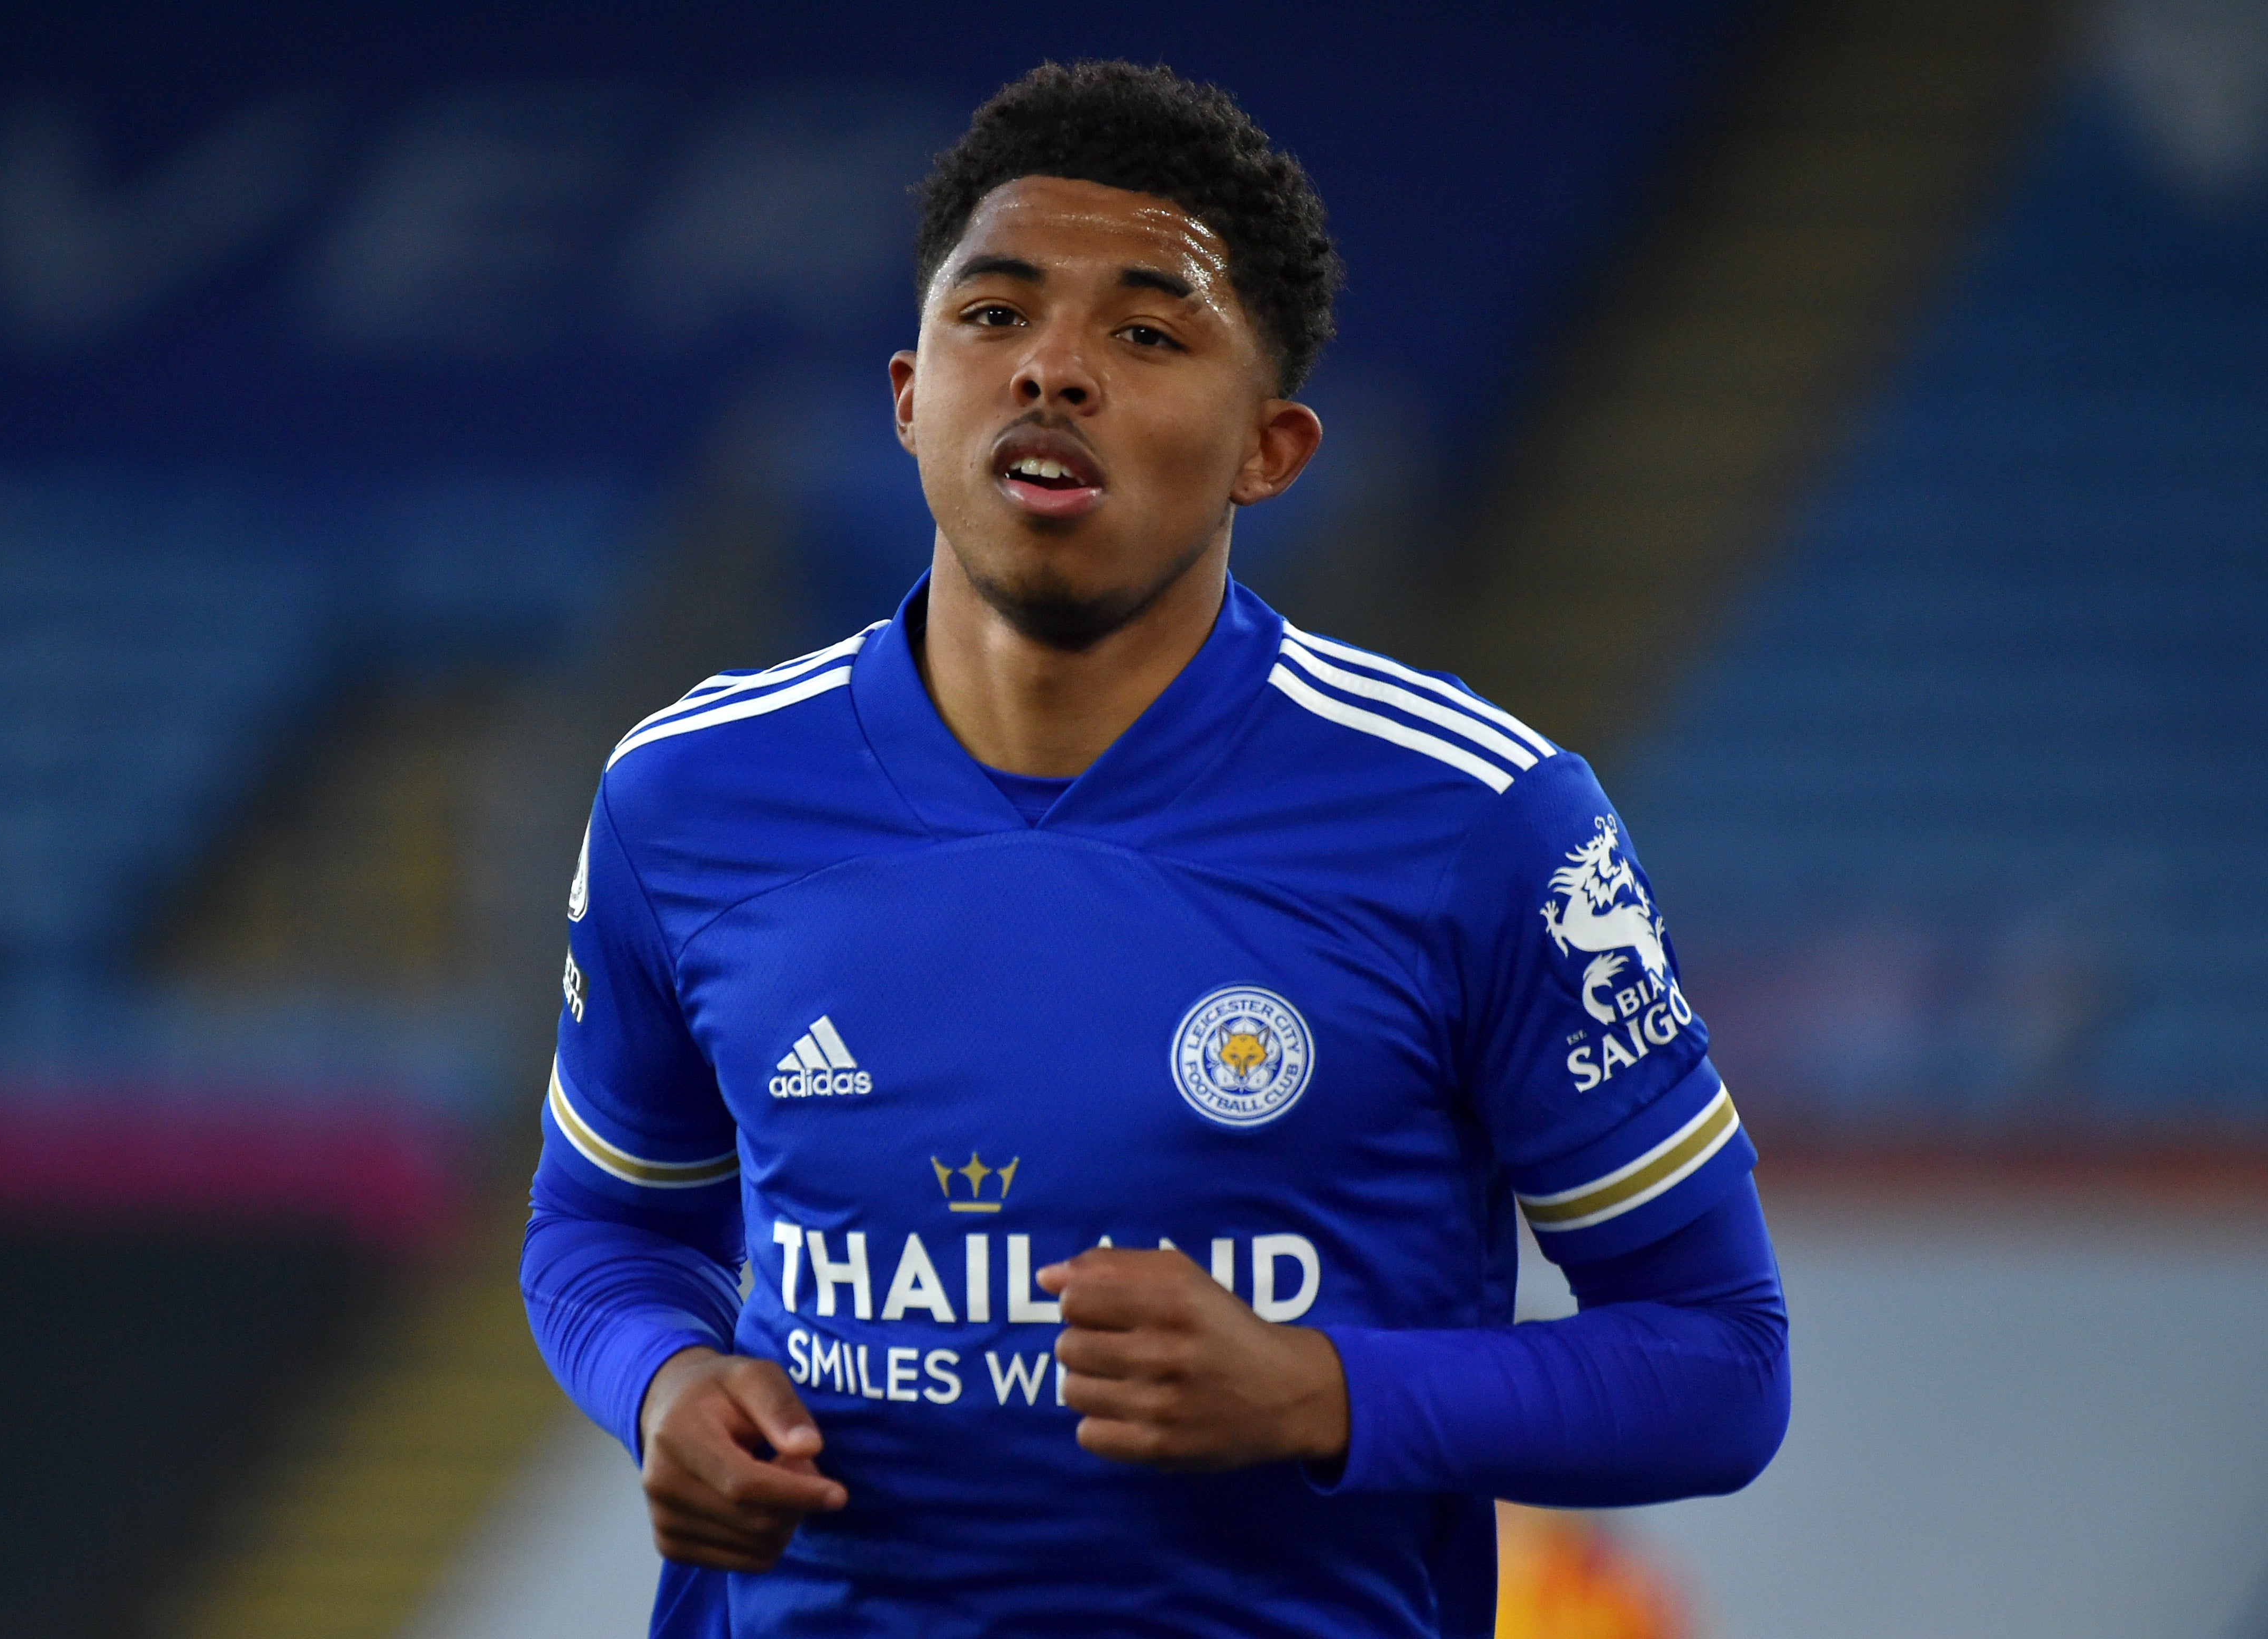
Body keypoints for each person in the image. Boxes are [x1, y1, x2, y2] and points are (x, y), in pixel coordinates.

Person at [523, 59, 1789, 1639]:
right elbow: (605, 1228)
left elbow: (1720, 1363)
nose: (1052, 370)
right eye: (994, 317)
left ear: (1272, 451)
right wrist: (662, 1382)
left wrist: (1323, 1390)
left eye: (1144, 331)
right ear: (911, 396)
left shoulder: (1477, 820)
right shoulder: (687, 796)